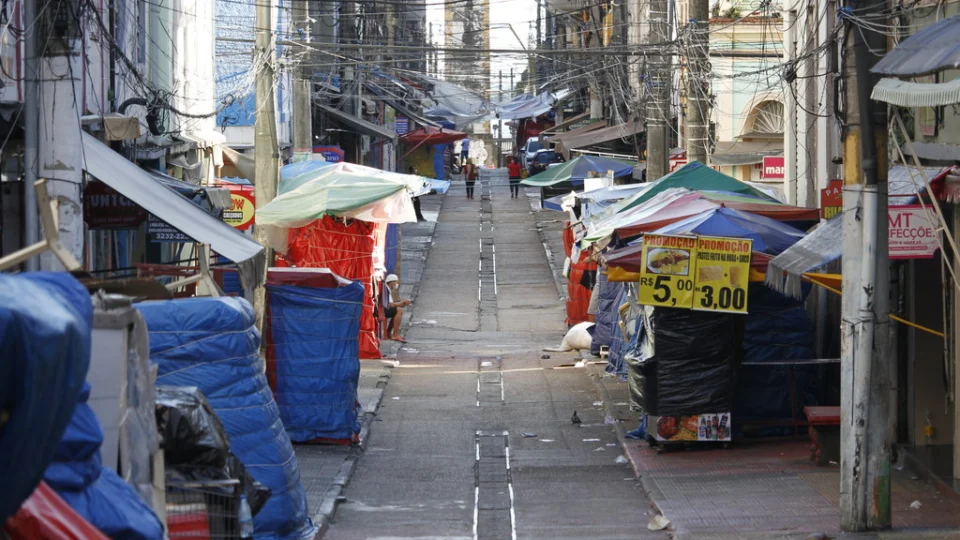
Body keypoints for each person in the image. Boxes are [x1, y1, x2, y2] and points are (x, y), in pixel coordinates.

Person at [384, 274, 411, 342]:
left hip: (383, 308)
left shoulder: (387, 288)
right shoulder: (386, 289)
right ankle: (395, 334)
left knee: (397, 309)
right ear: (391, 282)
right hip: (382, 310)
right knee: (399, 310)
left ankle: (388, 332)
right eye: (395, 282)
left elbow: (391, 304)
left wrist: (400, 303)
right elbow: (389, 305)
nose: (396, 284)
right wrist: (399, 304)